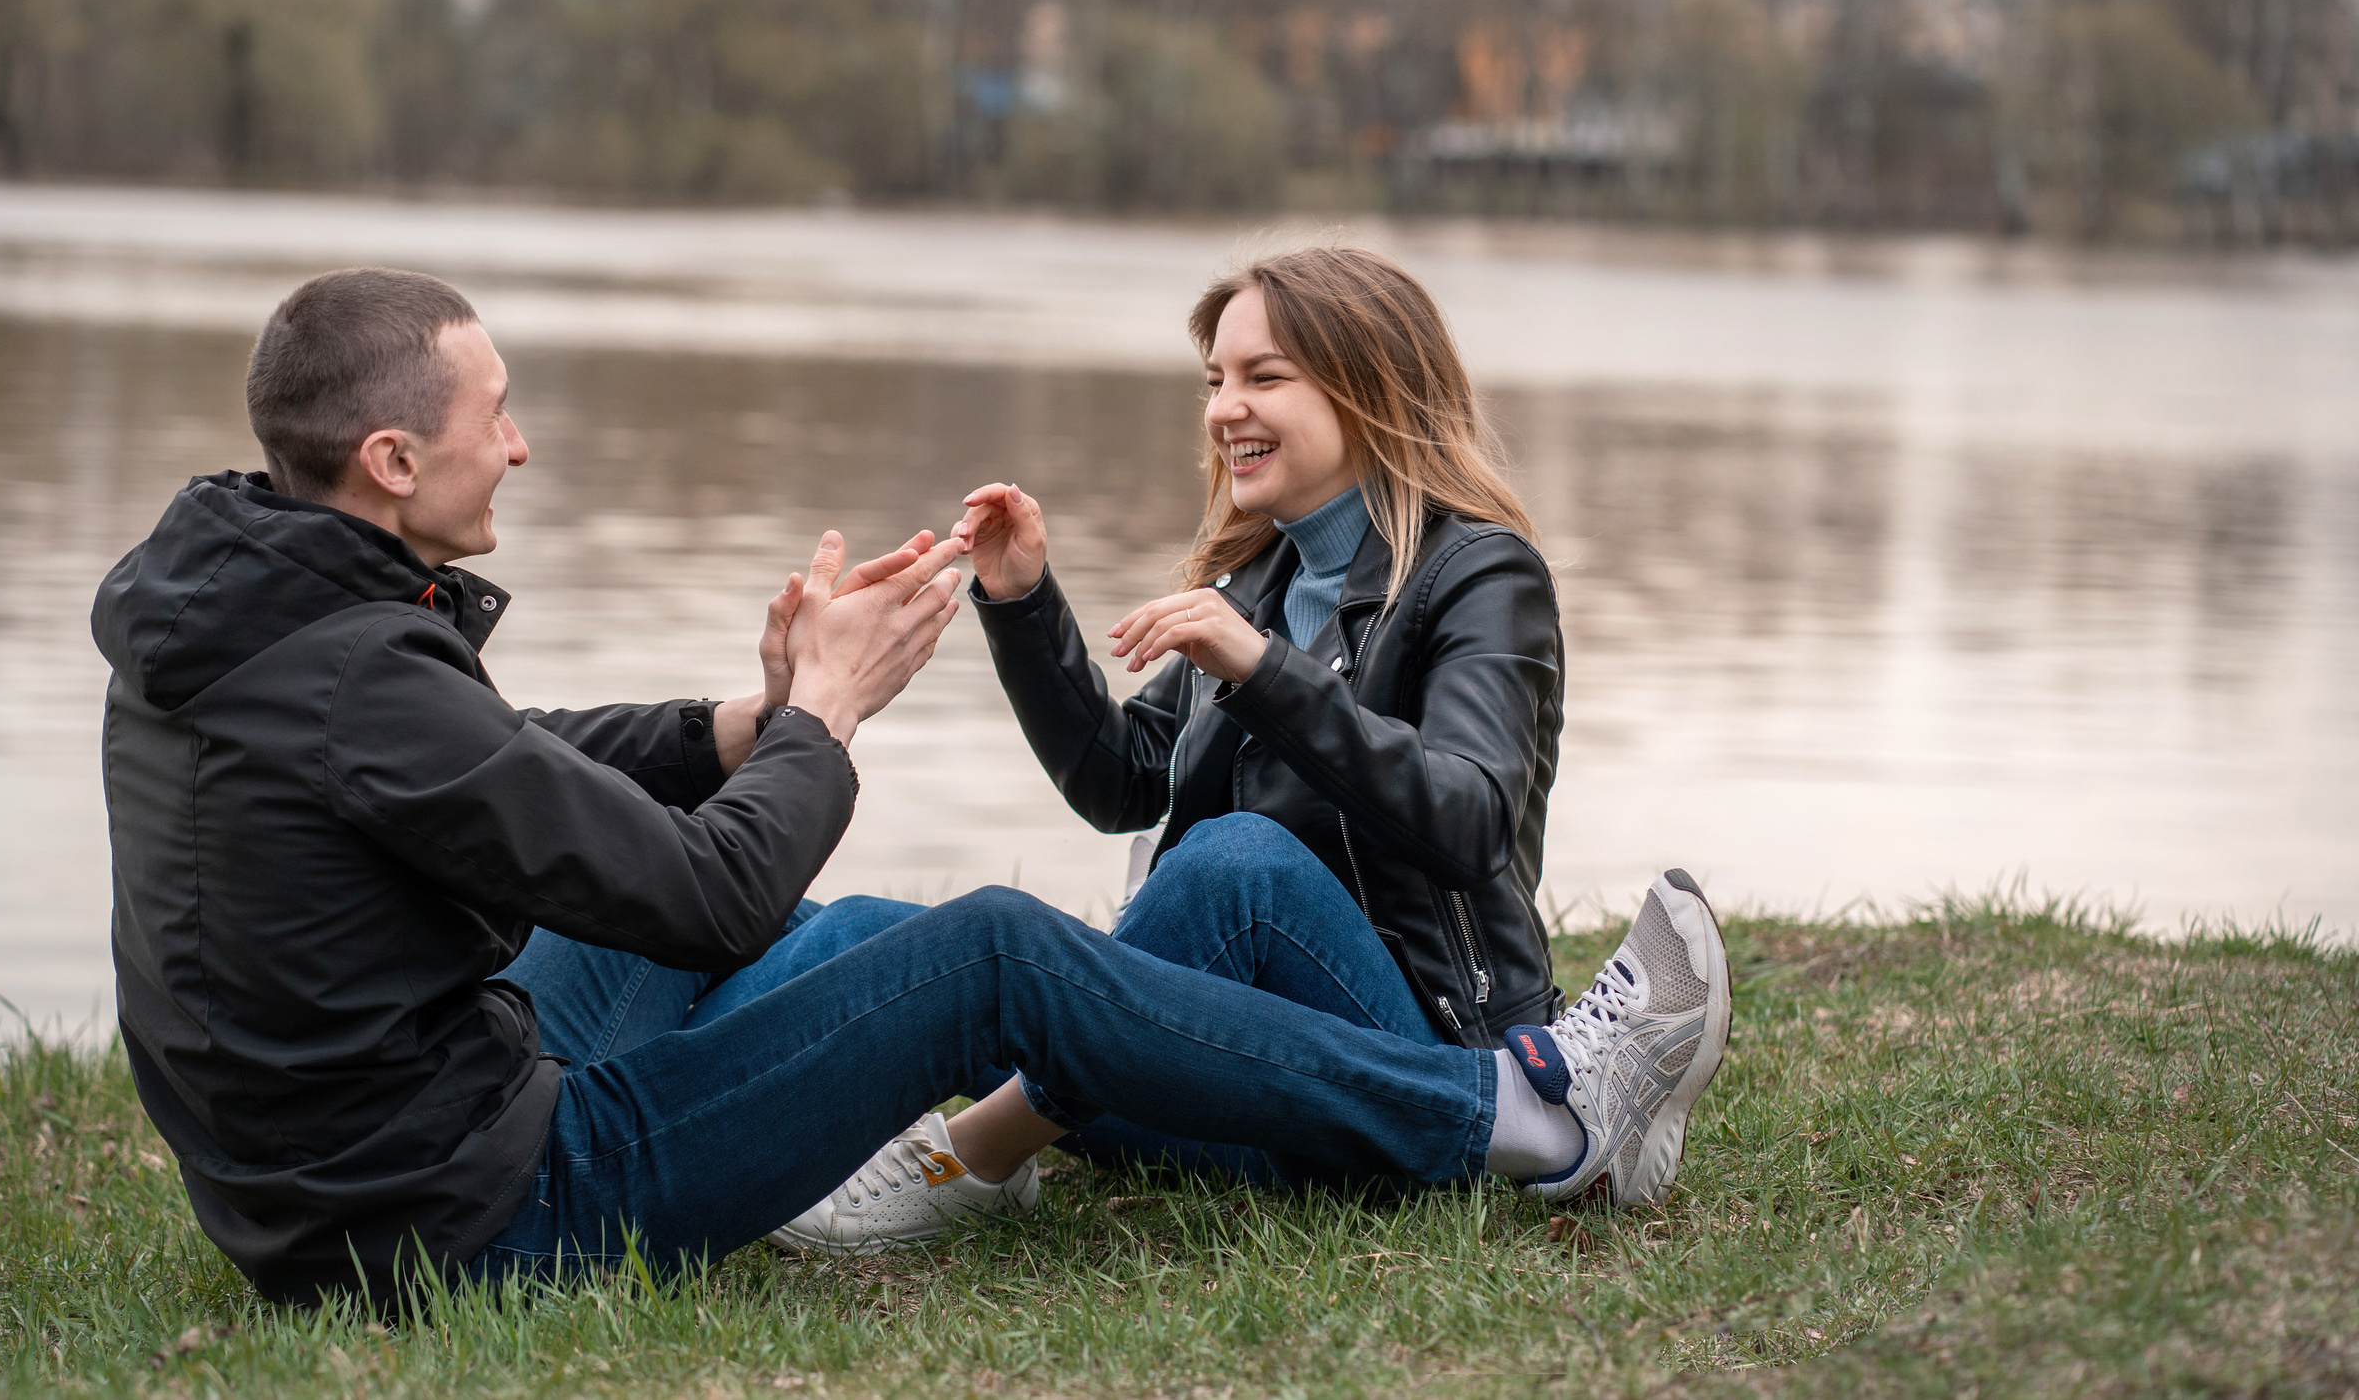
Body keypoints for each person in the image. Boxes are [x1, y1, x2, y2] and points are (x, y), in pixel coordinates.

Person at [95, 264, 1726, 1306]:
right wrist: (825, 715)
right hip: (467, 1208)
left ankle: (946, 1122)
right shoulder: (363, 667)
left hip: (336, 1193)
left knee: (874, 930)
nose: (518, 447)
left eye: (1264, 376)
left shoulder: (247, 622)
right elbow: (719, 883)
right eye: (497, 416)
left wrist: (747, 723)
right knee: (997, 945)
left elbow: (516, 765)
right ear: (392, 461)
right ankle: (1533, 1110)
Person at [768, 244, 1729, 1253]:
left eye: (1264, 377)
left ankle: (969, 1159)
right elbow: (1121, 779)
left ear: (1370, 388)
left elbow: (1472, 818)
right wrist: (1020, 603)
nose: (1225, 407)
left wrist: (1266, 672)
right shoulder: (1261, 583)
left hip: (1413, 1054)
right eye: (1215, 380)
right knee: (880, 938)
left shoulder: (1480, 574)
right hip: (1233, 1067)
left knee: (1237, 867)